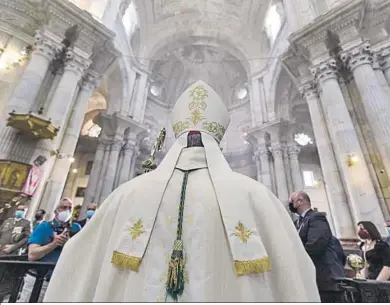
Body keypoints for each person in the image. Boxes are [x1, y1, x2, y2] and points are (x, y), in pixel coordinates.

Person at [44, 81, 320, 302]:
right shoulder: (257, 196)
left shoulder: (125, 194)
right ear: (218, 142)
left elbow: (76, 261)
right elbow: (297, 274)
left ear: (176, 140)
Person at [289, 191, 345, 302]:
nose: (290, 204)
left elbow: (315, 245)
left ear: (300, 201)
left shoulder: (316, 217)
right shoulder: (298, 222)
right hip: (312, 277)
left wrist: (294, 258)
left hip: (325, 277)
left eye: (292, 201)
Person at [18, 198, 73, 302]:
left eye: (70, 208)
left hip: (59, 283)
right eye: (63, 207)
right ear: (56, 210)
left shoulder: (74, 229)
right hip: (38, 280)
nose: (67, 211)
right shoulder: (44, 227)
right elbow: (32, 255)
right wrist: (54, 244)